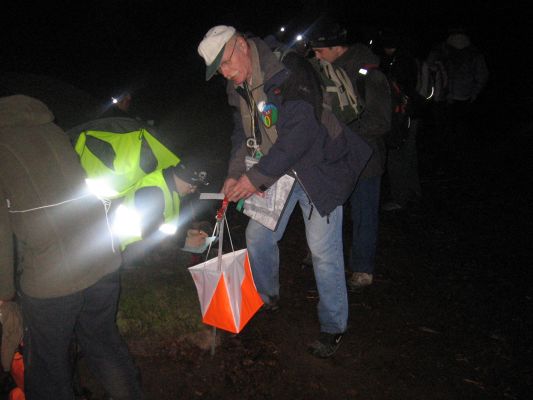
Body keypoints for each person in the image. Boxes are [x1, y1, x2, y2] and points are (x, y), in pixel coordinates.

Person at [197, 25, 371, 358]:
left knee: (322, 250)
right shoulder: (237, 87)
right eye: (218, 69)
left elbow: (301, 133)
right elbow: (241, 136)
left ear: (241, 46)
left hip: (320, 168)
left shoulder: (290, 69)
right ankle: (267, 296)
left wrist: (255, 178)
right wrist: (236, 175)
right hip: (278, 170)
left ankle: (333, 326)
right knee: (257, 236)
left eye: (226, 63)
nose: (225, 73)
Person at [0, 95, 143, 399]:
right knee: (104, 343)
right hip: (100, 256)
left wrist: (4, 293)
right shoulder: (51, 130)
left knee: (48, 369)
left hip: (51, 279)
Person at [309, 21, 391, 290]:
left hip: (365, 157)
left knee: (364, 213)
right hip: (335, 157)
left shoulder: (370, 73)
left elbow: (381, 122)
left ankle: (363, 268)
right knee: (327, 207)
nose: (317, 56)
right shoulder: (327, 69)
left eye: (321, 51)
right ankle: (321, 253)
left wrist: (343, 131)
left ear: (337, 48)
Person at [427, 27, 489, 175]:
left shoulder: (441, 51)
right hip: (464, 98)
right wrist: (474, 93)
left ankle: (445, 165)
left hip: (443, 99)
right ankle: (461, 166)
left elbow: (429, 68)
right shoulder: (474, 53)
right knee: (461, 134)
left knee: (444, 134)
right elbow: (482, 76)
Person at [378, 29, 423, 211]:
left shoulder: (396, 62)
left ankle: (400, 198)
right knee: (409, 154)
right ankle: (414, 191)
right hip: (413, 113)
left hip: (401, 115)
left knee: (397, 156)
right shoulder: (410, 58)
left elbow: (395, 91)